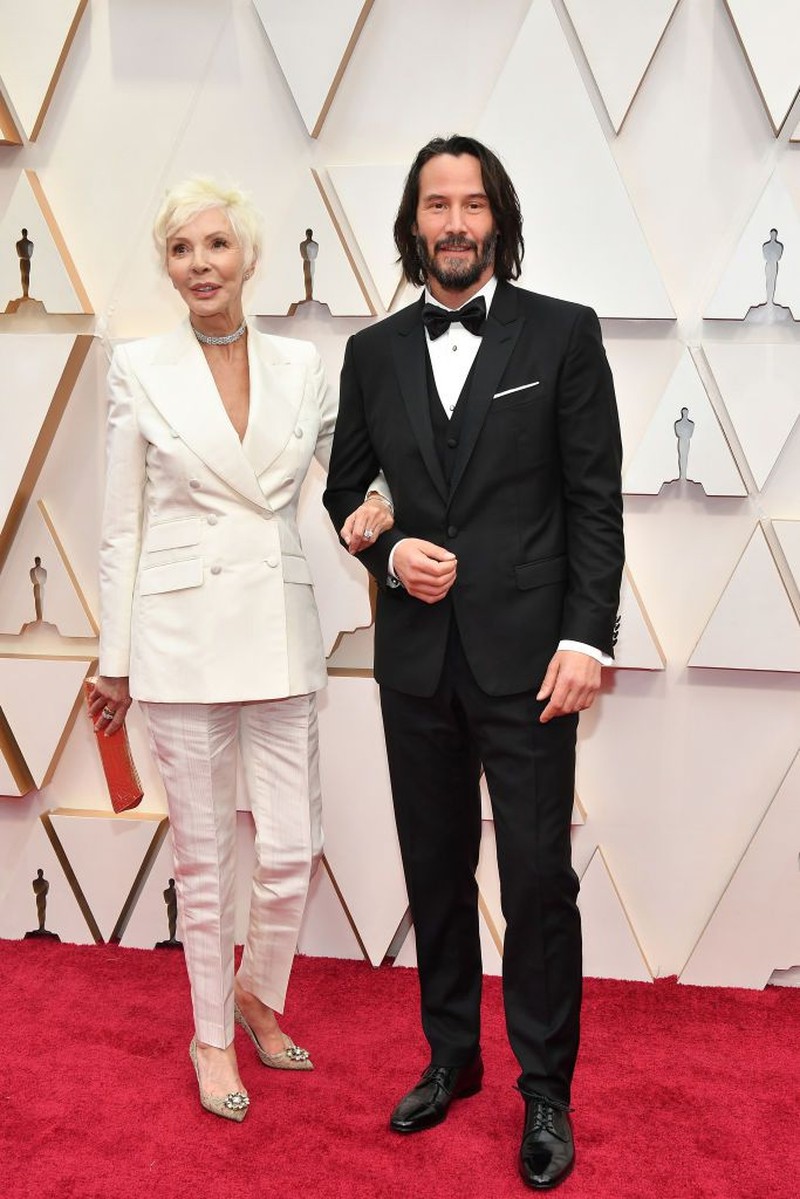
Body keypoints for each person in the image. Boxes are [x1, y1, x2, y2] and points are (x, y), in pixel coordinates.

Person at [324, 135, 624, 1189]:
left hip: (535, 660)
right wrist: (389, 549)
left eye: (471, 203)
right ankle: (451, 1054)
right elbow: (345, 494)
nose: (453, 221)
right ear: (413, 224)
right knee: (435, 870)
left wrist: (587, 636)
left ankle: (545, 1086)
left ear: (497, 216)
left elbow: (593, 499)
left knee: (538, 880)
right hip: (415, 663)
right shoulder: (370, 352)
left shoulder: (562, 333)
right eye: (434, 204)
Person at [89, 178, 393, 1122]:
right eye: (181, 250)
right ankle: (211, 1032)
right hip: (178, 634)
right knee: (207, 855)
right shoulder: (138, 367)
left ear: (246, 257)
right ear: (168, 265)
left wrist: (378, 497)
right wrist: (115, 656)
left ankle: (261, 992)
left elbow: (353, 459)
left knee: (293, 848)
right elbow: (119, 525)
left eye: (215, 245)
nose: (200, 265)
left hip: (277, 626)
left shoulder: (305, 365)